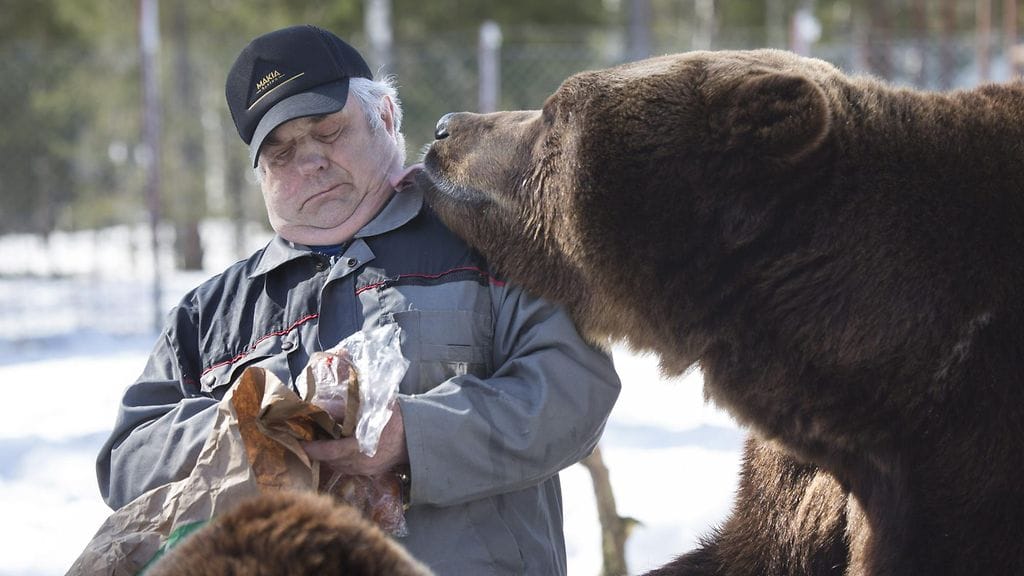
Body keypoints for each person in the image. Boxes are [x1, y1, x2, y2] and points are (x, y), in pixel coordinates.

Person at [96, 24, 621, 575]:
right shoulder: (211, 314)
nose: (309, 163)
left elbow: (574, 393)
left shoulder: (493, 243)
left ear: (387, 117)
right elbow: (127, 461)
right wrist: (258, 426)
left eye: (328, 132)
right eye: (281, 152)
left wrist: (410, 437)